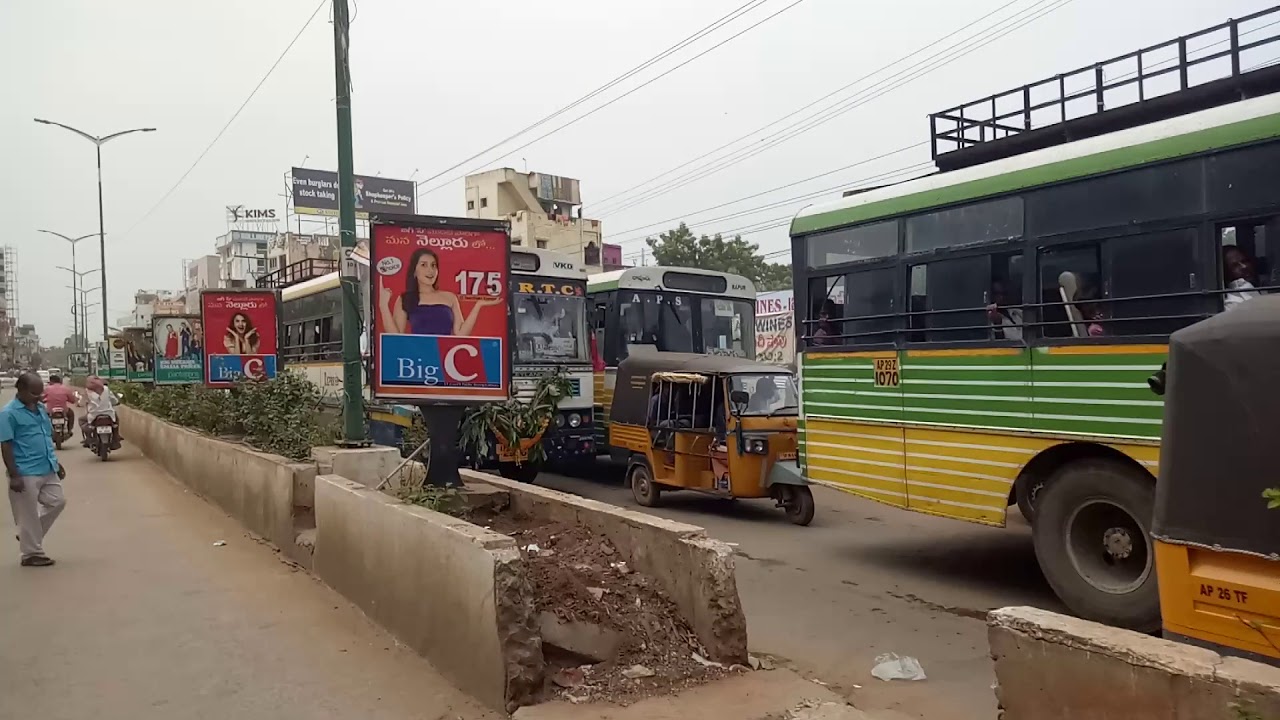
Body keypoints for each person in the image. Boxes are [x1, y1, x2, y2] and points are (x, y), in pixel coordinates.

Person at [3, 372, 67, 567]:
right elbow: (5, 445)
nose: (38, 397)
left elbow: (45, 437)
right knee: (28, 513)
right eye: (33, 393)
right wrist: (14, 475)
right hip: (25, 471)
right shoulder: (8, 413)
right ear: (20, 390)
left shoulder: (40, 409)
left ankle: (26, 534)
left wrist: (56, 462)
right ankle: (31, 554)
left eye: (40, 393)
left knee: (57, 501)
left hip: (46, 467)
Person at [379, 247, 501, 336]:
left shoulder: (449, 298)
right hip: (417, 361)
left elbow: (461, 334)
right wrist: (383, 305)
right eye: (423, 265)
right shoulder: (405, 298)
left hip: (445, 357)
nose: (430, 270)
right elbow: (396, 336)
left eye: (433, 265)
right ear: (414, 271)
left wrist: (478, 305)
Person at [79, 376, 120, 449]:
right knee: (116, 422)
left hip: (94, 415)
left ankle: (88, 438)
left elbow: (81, 402)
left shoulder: (87, 392)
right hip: (109, 414)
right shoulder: (106, 389)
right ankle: (116, 437)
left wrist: (80, 403)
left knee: (81, 420)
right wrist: (116, 402)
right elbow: (114, 400)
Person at [1223, 245, 1263, 311]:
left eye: (1245, 261)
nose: (1244, 267)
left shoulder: (1267, 286)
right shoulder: (1232, 303)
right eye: (1235, 265)